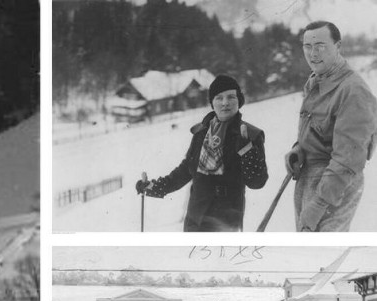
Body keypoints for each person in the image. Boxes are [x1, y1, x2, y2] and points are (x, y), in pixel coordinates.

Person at [136, 75, 268, 231]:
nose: (225, 103)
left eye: (231, 97)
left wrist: (247, 150)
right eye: (219, 98)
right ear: (212, 103)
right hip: (195, 217)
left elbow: (257, 182)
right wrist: (154, 187)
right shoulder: (201, 132)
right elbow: (186, 170)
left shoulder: (250, 134)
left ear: (239, 101)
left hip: (226, 220)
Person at [285, 21, 377, 232]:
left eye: (320, 45)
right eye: (307, 46)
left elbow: (348, 160)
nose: (313, 53)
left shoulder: (352, 90)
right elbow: (321, 128)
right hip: (310, 177)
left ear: (338, 46)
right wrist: (300, 148)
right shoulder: (316, 81)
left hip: (335, 183)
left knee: (322, 254)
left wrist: (317, 206)